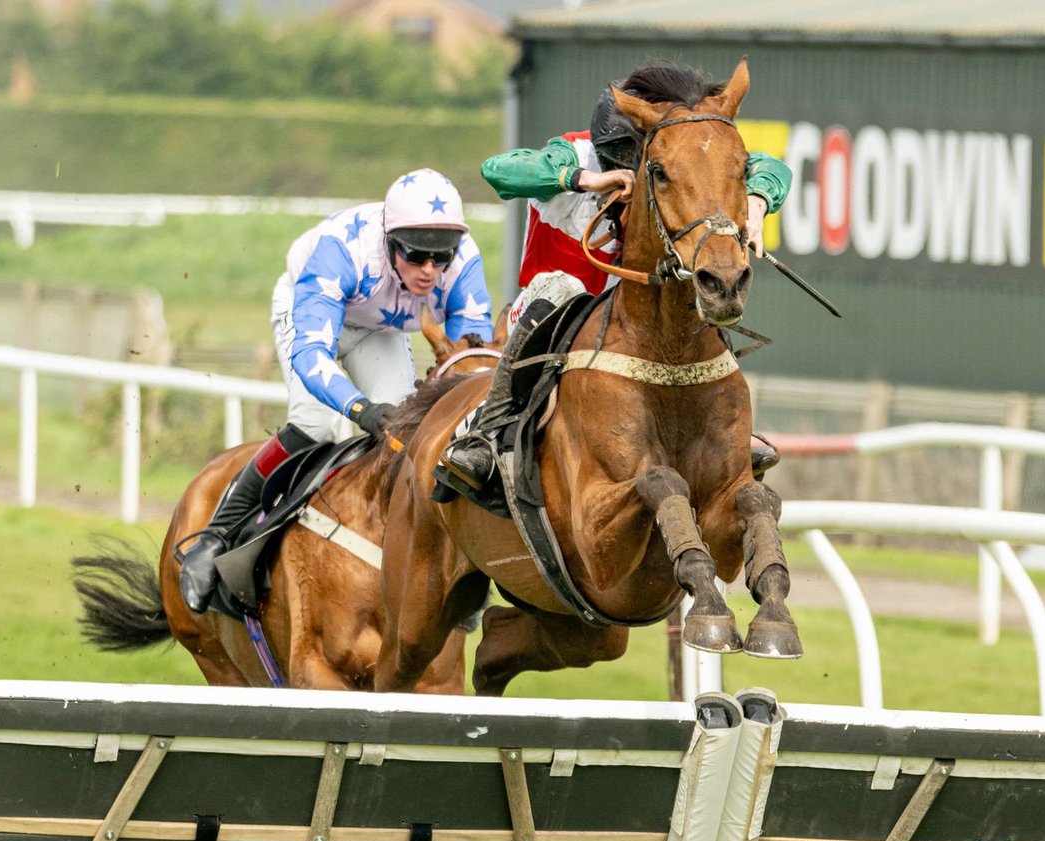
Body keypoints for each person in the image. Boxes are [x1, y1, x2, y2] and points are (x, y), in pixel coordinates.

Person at [438, 61, 792, 493]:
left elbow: (771, 167)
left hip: (624, 318)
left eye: (636, 161)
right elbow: (500, 169)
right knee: (561, 288)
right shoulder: (575, 153)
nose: (629, 171)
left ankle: (727, 434)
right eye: (618, 160)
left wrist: (757, 199)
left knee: (691, 309)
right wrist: (586, 179)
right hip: (551, 310)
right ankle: (487, 430)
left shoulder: (672, 152)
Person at [180, 167, 494, 614]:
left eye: (440, 257)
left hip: (378, 329)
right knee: (318, 424)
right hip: (310, 315)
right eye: (417, 256)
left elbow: (471, 361)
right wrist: (362, 409)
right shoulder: (343, 253)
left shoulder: (462, 265)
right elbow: (312, 357)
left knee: (405, 437)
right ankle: (217, 534)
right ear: (389, 242)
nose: (430, 271)